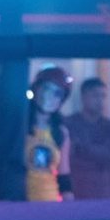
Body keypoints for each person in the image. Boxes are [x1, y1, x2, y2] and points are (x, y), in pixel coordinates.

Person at [63, 77, 110, 199]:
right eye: (95, 96)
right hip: (75, 191)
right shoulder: (68, 125)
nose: (100, 101)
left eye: (103, 96)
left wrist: (81, 148)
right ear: (83, 97)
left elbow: (109, 154)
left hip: (103, 192)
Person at [24, 66, 74, 202]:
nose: (49, 97)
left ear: (61, 100)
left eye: (57, 93)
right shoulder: (20, 128)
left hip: (50, 202)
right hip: (21, 203)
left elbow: (64, 174)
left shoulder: (61, 132)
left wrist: (70, 206)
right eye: (46, 89)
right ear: (36, 90)